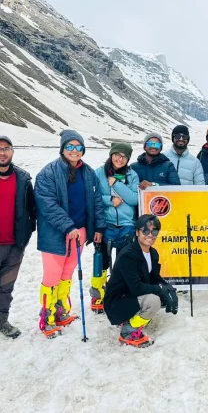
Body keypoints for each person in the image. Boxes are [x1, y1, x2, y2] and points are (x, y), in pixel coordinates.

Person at [35, 130, 106, 338]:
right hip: (56, 233)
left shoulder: (88, 172)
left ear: (83, 150)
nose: (74, 151)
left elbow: (96, 202)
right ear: (63, 149)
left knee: (67, 273)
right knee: (52, 276)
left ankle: (60, 311)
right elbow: (46, 204)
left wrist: (98, 228)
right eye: (70, 147)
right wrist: (68, 226)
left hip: (80, 232)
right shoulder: (48, 173)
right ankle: (47, 320)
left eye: (78, 147)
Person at [104, 214, 178, 348]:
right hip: (117, 302)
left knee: (162, 295)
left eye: (154, 231)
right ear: (137, 232)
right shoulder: (129, 255)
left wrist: (168, 288)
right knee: (153, 301)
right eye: (146, 231)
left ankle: (131, 319)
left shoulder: (153, 253)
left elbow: (154, 278)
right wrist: (160, 290)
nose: (150, 234)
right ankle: (128, 331)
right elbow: (136, 287)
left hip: (130, 296)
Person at [89, 142, 139, 314]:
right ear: (111, 155)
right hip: (106, 223)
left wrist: (116, 185)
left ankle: (118, 291)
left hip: (126, 224)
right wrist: (110, 199)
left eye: (124, 156)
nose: (120, 158)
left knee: (123, 260)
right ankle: (98, 293)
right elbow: (93, 197)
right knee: (101, 259)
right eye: (117, 154)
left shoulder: (132, 175)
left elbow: (134, 199)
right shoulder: (99, 173)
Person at [0, 136, 36, 338]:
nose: (2, 153)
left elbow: (32, 209)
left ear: (12, 152)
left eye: (6, 148)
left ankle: (2, 322)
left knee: (5, 288)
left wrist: (25, 236)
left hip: (14, 246)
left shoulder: (22, 179)